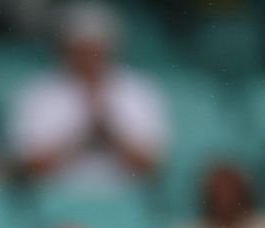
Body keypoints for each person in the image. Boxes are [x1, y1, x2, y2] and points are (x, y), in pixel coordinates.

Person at [8, 2, 166, 187]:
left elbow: (150, 166)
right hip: (58, 196)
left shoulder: (139, 90)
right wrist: (82, 139)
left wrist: (108, 131)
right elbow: (29, 167)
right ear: (64, 49)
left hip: (124, 195)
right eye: (81, 50)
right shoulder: (37, 92)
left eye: (95, 50)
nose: (88, 58)